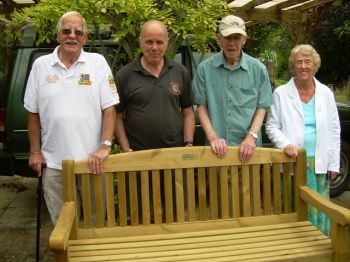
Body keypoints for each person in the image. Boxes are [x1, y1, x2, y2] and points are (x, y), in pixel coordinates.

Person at [24, 11, 119, 224]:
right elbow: (33, 113)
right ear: (58, 35)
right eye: (66, 31)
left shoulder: (98, 62)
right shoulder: (41, 65)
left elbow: (110, 108)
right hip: (55, 164)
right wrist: (35, 152)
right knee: (63, 225)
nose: (72, 36)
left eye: (78, 31)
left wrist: (105, 146)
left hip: (93, 163)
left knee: (96, 224)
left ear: (85, 37)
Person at [265, 44, 340, 235]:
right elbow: (271, 125)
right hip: (293, 162)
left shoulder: (326, 94)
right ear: (293, 66)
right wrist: (285, 144)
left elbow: (334, 129)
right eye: (299, 62)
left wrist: (334, 164)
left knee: (320, 209)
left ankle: (320, 248)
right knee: (293, 208)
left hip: (319, 163)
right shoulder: (281, 93)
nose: (303, 66)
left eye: (308, 62)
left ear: (315, 65)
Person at [192, 15, 273, 162]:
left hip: (249, 150)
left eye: (237, 37)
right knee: (217, 185)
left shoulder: (258, 69)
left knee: (250, 185)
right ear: (219, 38)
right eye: (227, 37)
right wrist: (213, 137)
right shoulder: (204, 69)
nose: (232, 43)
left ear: (244, 39)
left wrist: (251, 137)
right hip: (216, 150)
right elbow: (201, 107)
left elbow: (262, 108)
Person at [115, 20, 195, 151]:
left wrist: (188, 143)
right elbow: (116, 116)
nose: (154, 48)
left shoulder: (180, 72)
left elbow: (188, 111)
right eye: (149, 42)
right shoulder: (124, 75)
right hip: (138, 156)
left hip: (174, 155)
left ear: (167, 42)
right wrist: (125, 148)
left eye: (159, 42)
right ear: (140, 42)